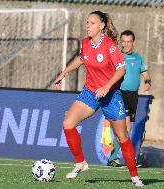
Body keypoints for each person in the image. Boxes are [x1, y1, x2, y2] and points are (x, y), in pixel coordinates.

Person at [54, 11, 144, 187]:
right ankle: (80, 163)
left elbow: (121, 70)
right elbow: (81, 58)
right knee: (68, 123)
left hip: (110, 95)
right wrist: (64, 73)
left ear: (102, 26)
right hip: (90, 93)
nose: (88, 25)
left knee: (122, 137)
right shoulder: (85, 43)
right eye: (87, 22)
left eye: (92, 23)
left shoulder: (110, 46)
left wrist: (107, 86)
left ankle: (134, 176)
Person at [107, 30, 151, 168]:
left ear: (133, 42)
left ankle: (115, 158)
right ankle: (119, 158)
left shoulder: (138, 58)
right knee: (125, 126)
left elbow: (144, 72)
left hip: (133, 96)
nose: (126, 44)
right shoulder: (117, 56)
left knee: (128, 128)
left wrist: (148, 81)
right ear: (121, 42)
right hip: (120, 94)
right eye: (123, 41)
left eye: (129, 42)